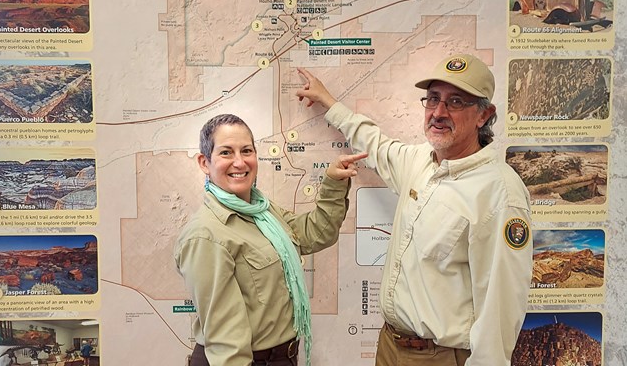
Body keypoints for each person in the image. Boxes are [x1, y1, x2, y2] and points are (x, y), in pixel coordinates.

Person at [296, 54, 533, 366]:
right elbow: (375, 144)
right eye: (433, 99)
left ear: (483, 115)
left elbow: (501, 310)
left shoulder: (499, 193)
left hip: (440, 358)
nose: (438, 112)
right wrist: (328, 101)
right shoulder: (421, 161)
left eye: (456, 102)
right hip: (390, 347)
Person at [174, 113, 367, 366]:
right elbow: (226, 343)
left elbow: (314, 233)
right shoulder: (206, 236)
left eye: (246, 151)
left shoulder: (262, 211)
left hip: (281, 358)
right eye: (226, 153)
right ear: (204, 161)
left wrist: (333, 183)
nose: (240, 162)